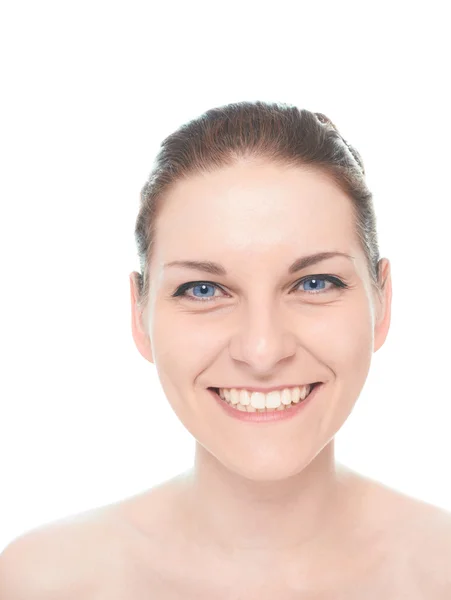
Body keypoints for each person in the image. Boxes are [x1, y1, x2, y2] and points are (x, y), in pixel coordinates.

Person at [1, 101, 450, 598]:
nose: (261, 350)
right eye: (202, 290)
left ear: (381, 303)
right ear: (140, 316)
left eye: (315, 282)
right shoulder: (41, 581)